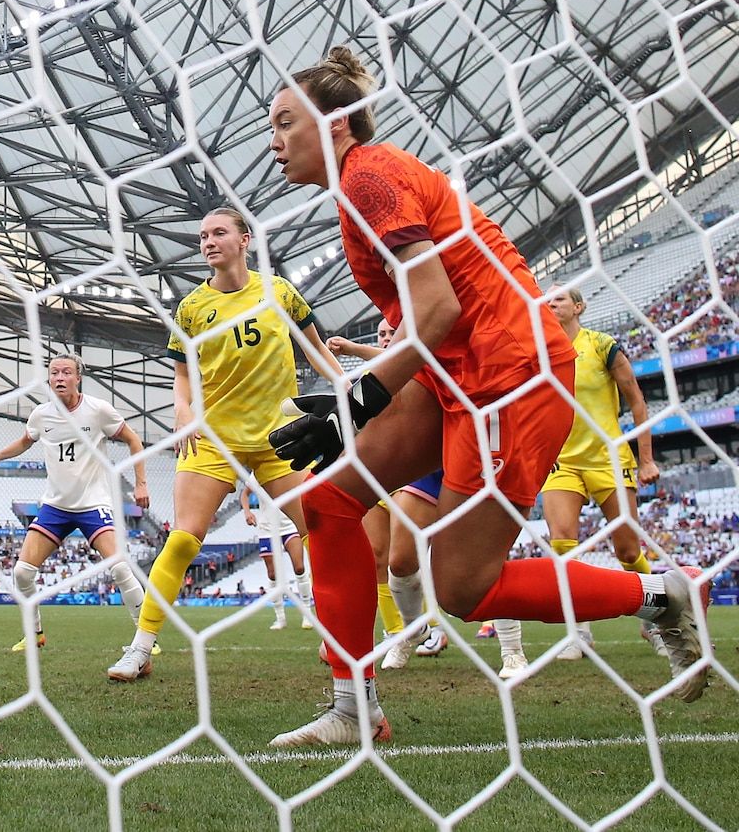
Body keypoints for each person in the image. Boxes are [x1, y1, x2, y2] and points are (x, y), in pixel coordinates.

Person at [263, 47, 710, 745]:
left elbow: (438, 308)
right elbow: (431, 317)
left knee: (464, 590)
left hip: (509, 375)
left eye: (287, 122)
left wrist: (359, 401)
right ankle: (354, 710)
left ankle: (659, 593)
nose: (275, 141)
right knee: (328, 501)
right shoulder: (363, 187)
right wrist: (366, 388)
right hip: (455, 372)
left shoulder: (371, 178)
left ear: (339, 124)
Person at [108, 208, 343, 681]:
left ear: (245, 239)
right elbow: (181, 377)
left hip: (281, 437)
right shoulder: (192, 308)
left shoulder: (279, 292)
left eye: (219, 233)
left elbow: (317, 350)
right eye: (203, 235)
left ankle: (337, 637)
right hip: (214, 438)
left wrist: (347, 395)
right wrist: (182, 410)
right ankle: (141, 647)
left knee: (323, 534)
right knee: (183, 539)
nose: (209, 241)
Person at [499, 287, 665, 672]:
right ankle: (578, 633)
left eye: (558, 299)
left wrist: (646, 460)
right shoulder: (539, 352)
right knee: (561, 543)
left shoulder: (603, 345)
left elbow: (637, 400)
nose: (550, 304)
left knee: (627, 550)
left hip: (608, 458)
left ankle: (654, 620)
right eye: (546, 300)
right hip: (562, 461)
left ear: (578, 306)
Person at [0, 354, 150, 651]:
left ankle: (146, 638)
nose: (59, 377)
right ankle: (35, 635)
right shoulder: (41, 415)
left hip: (92, 503)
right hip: (56, 506)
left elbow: (134, 440)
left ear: (78, 377)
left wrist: (141, 484)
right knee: (21, 572)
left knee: (120, 568)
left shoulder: (98, 410)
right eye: (54, 372)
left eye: (66, 372)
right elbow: (25, 440)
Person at [327, 319, 447, 668]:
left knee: (417, 558)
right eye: (380, 334)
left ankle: (502, 645)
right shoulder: (366, 379)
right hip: (378, 470)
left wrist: (351, 349)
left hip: (418, 466)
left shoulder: (414, 360)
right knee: (379, 557)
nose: (384, 339)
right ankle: (398, 634)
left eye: (390, 333)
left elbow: (395, 358)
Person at [237, 483, 312, 630]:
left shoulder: (287, 466)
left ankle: (307, 615)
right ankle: (280, 618)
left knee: (299, 567)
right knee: (272, 574)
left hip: (290, 526)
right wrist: (247, 512)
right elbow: (244, 494)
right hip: (267, 529)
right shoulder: (256, 473)